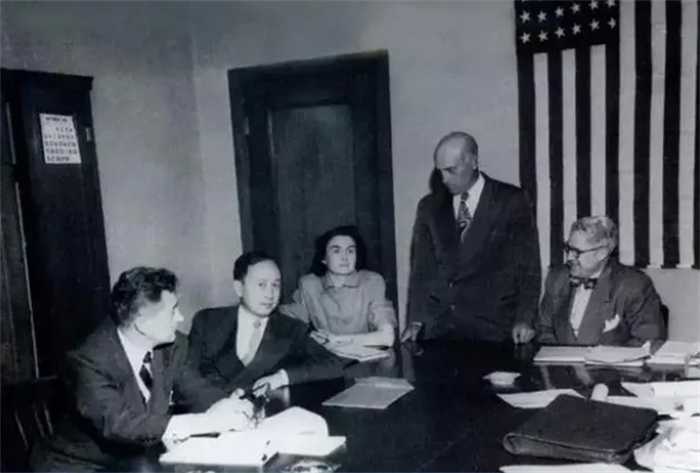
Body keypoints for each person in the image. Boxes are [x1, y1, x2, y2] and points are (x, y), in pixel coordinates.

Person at [30, 267, 253, 472]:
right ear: (142, 324)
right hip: (77, 464)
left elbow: (195, 388)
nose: (181, 317)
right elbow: (119, 424)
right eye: (173, 311)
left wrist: (227, 405)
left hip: (138, 457)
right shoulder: (89, 359)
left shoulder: (174, 345)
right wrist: (206, 422)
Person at [403, 131, 541, 343]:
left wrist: (525, 318)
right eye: (440, 172)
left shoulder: (511, 200)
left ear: (474, 162)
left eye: (451, 170)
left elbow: (528, 268)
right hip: (440, 329)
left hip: (493, 330)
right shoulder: (429, 206)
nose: (444, 179)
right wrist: (416, 320)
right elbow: (421, 270)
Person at [188, 251, 344, 396]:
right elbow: (191, 372)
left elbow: (334, 364)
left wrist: (282, 378)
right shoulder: (207, 321)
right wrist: (222, 398)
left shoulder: (292, 328)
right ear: (239, 288)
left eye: (275, 285)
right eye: (261, 284)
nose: (270, 294)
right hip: (211, 408)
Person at [537, 216, 666, 346]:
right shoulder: (557, 278)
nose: (569, 257)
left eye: (576, 252)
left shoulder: (634, 285)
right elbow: (544, 330)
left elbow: (648, 341)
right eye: (568, 249)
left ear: (602, 253)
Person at [280, 225, 397, 347]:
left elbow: (387, 338)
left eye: (350, 251)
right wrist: (310, 336)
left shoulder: (372, 281)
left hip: (367, 355)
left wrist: (336, 340)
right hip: (326, 356)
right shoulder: (309, 284)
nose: (345, 257)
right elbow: (288, 319)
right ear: (323, 258)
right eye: (336, 251)